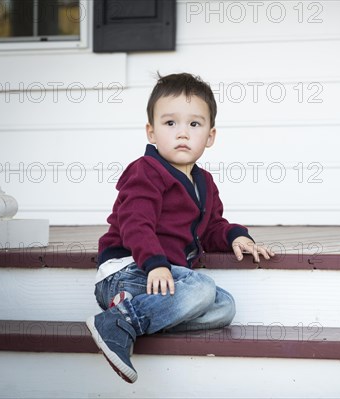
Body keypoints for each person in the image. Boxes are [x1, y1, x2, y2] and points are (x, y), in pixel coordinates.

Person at [86, 72, 274, 383]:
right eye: (170, 123)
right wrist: (156, 264)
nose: (182, 134)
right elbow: (136, 224)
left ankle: (133, 316)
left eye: (194, 124)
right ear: (152, 132)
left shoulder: (205, 183)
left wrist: (235, 236)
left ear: (210, 136)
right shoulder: (146, 171)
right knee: (201, 288)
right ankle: (119, 323)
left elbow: (211, 227)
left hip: (164, 278)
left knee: (224, 307)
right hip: (130, 270)